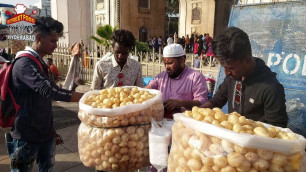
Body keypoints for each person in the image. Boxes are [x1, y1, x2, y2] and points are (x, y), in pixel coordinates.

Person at [7, 16, 83, 172]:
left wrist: (51, 129)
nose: (56, 45)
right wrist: (87, 97)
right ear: (38, 38)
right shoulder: (24, 64)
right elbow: (50, 91)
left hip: (45, 133)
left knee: (47, 169)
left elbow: (46, 94)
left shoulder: (39, 61)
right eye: (53, 41)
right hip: (26, 136)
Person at [201, 27, 288, 127]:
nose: (226, 72)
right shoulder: (233, 76)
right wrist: (197, 113)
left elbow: (278, 130)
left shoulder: (270, 89)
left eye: (230, 68)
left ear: (247, 61)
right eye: (223, 67)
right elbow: (217, 100)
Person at [146, 43, 208, 119]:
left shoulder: (196, 77)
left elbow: (202, 102)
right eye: (165, 63)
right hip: (163, 122)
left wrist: (180, 103)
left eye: (170, 63)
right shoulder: (162, 76)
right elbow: (145, 90)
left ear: (182, 60)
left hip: (186, 124)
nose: (166, 67)